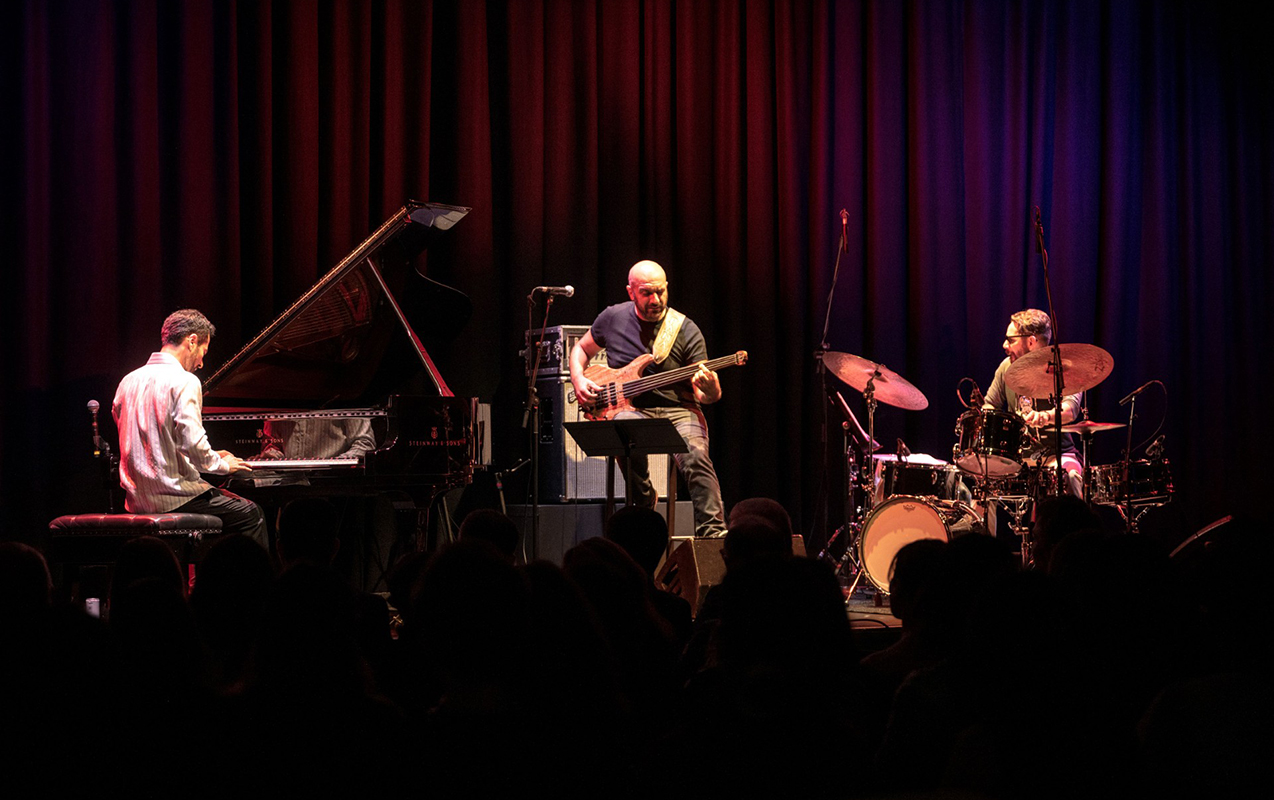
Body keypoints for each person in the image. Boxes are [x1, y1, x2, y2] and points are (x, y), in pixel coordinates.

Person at [570, 260, 727, 538]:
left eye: (660, 291)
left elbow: (704, 395)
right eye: (646, 293)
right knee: (623, 426)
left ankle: (713, 534)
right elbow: (581, 349)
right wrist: (579, 379)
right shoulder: (612, 317)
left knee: (696, 457)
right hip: (632, 410)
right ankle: (643, 500)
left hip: (678, 410)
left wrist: (712, 389)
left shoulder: (685, 329)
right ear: (631, 292)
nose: (655, 300)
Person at [112, 309, 268, 546]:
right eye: (203, 352)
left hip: (136, 502)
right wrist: (224, 465)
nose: (201, 363)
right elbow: (193, 444)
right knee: (251, 515)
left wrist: (211, 455)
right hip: (175, 497)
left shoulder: (127, 381)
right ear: (192, 341)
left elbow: (151, 443)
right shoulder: (184, 381)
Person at [982, 308, 1083, 497]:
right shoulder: (1006, 367)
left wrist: (1044, 417)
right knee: (983, 482)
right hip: (1016, 457)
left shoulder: (1064, 367)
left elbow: (1070, 410)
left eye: (1011, 340)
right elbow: (989, 405)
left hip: (1057, 454)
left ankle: (1075, 517)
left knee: (1070, 476)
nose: (1005, 345)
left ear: (1031, 341)